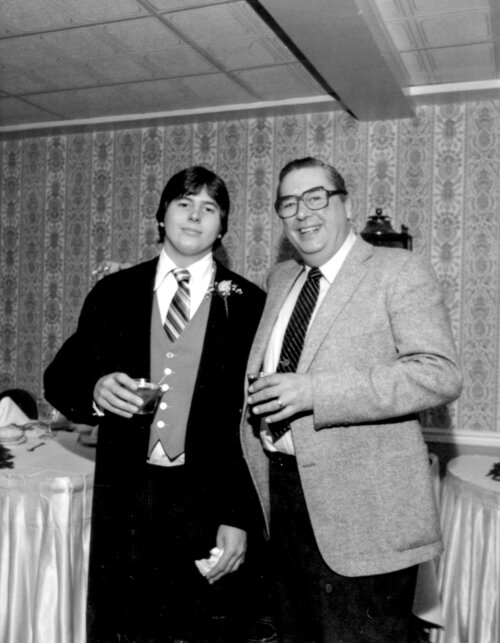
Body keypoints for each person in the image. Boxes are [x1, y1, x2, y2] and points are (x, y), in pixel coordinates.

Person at [241, 157, 462, 643]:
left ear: (345, 203)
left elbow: (439, 374)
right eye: (289, 204)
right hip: (282, 502)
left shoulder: (397, 270)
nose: (303, 213)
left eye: (316, 197)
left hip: (366, 514)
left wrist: (315, 392)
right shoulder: (282, 279)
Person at [44, 166, 268, 642]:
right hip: (126, 500)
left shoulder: (250, 304)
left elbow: (253, 426)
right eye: (184, 203)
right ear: (161, 217)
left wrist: (238, 515)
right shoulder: (114, 292)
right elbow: (60, 378)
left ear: (223, 227)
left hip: (207, 503)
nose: (195, 215)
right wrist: (95, 388)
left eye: (210, 208)